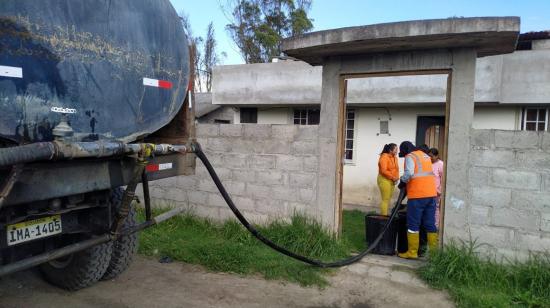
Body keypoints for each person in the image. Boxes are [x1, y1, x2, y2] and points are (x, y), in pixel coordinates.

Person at [397, 141, 438, 259]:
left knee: (413, 224)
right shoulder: (425, 155)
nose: (404, 156)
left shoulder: (411, 156)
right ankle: (434, 254)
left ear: (405, 150)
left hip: (418, 195)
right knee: (430, 223)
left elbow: (409, 173)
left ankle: (412, 252)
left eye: (403, 153)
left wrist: (402, 181)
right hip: (431, 194)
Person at [377, 143, 399, 216]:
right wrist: (393, 177)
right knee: (385, 199)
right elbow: (383, 171)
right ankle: (383, 217)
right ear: (390, 150)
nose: (397, 151)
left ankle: (386, 215)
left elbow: (396, 169)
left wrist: (396, 178)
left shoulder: (395, 157)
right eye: (396, 149)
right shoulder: (384, 157)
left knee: (388, 199)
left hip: (392, 180)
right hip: (384, 179)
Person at [428, 148, 444, 228]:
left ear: (437, 156)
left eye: (432, 156)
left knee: (435, 209)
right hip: (427, 191)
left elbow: (443, 178)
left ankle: (435, 226)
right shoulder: (427, 163)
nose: (430, 158)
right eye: (429, 156)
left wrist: (439, 190)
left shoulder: (441, 164)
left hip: (436, 192)